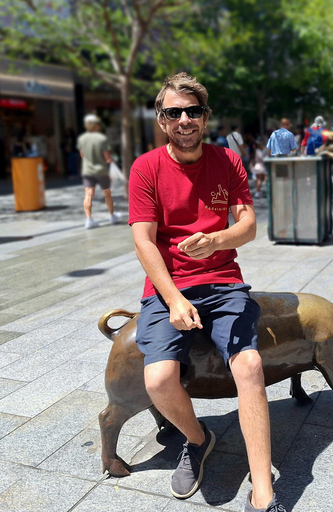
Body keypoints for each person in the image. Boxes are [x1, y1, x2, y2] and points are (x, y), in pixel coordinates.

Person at [128, 72, 284, 512]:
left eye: (192, 111)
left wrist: (217, 240)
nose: (184, 120)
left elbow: (249, 225)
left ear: (205, 117)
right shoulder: (146, 168)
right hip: (169, 286)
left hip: (223, 282)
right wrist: (174, 298)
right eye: (173, 112)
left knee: (250, 365)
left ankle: (263, 491)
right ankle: (198, 439)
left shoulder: (228, 161)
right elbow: (143, 240)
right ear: (161, 120)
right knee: (157, 379)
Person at [77, 114, 120, 229]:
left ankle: (89, 220)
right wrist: (110, 160)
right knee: (107, 193)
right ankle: (112, 215)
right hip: (101, 171)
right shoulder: (101, 138)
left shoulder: (82, 138)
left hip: (87, 170)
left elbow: (82, 154)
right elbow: (106, 156)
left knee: (88, 194)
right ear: (96, 125)